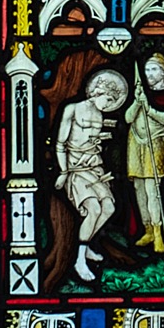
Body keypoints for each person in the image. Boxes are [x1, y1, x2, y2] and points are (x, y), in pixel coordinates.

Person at [53, 68, 128, 281]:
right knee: (93, 209)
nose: (109, 104)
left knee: (109, 208)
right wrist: (64, 171)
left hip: (95, 168)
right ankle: (79, 260)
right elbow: (60, 143)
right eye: (107, 99)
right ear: (97, 91)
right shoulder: (72, 109)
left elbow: (93, 142)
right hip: (75, 169)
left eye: (113, 100)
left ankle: (84, 247)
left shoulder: (100, 114)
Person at [125, 54, 164, 253]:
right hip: (135, 145)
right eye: (147, 70)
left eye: (154, 69)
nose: (149, 74)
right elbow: (128, 118)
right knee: (139, 189)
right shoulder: (140, 94)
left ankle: (158, 233)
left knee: (152, 190)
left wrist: (149, 109)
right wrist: (138, 103)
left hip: (154, 144)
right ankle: (147, 229)